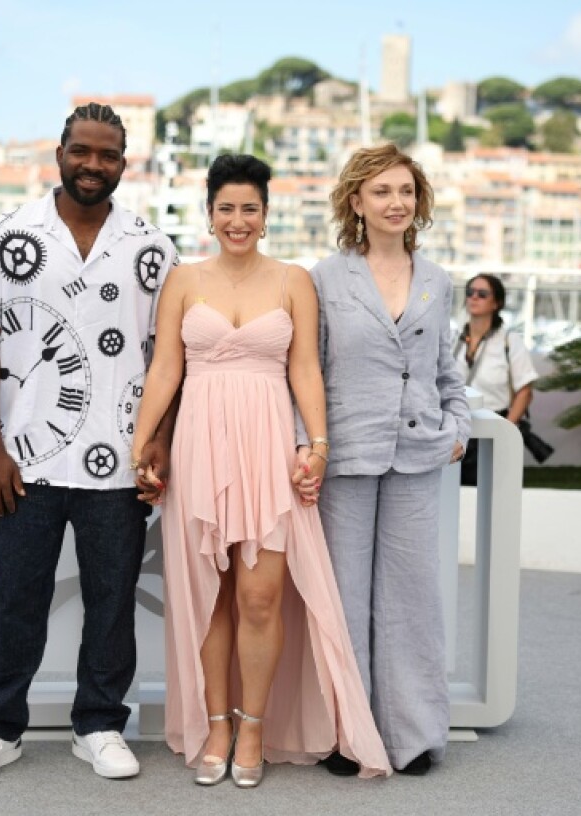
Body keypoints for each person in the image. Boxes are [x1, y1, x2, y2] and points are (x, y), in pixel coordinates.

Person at [129, 153, 390, 787]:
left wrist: (319, 446)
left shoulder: (293, 281)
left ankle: (253, 726)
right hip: (200, 443)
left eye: (250, 209)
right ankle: (215, 723)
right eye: (226, 208)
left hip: (269, 443)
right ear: (209, 215)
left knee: (260, 594)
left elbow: (305, 369)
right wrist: (143, 447)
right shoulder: (184, 281)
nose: (238, 220)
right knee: (208, 595)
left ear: (266, 216)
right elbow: (166, 370)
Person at [0, 102, 178, 784]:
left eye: (107, 155)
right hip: (25, 460)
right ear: (60, 152)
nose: (93, 164)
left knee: (112, 599)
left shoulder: (151, 248)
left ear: (123, 166)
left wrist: (158, 438)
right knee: (13, 594)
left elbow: (168, 353)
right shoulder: (7, 235)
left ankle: (100, 724)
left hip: (119, 458)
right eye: (83, 150)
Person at [300, 143, 471, 776]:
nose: (396, 202)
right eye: (382, 192)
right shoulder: (325, 277)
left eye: (405, 191)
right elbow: (308, 370)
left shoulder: (437, 280)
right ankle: (349, 736)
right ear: (356, 202)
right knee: (344, 597)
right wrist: (306, 441)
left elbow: (444, 367)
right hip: (344, 452)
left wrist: (457, 424)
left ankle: (414, 737)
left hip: (419, 451)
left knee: (411, 599)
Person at [454, 273, 544, 485]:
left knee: (489, 497)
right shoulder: (452, 339)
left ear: (497, 303)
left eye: (482, 294)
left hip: (491, 429)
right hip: (455, 428)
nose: (474, 297)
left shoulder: (509, 341)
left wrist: (506, 431)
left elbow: (525, 390)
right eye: (470, 292)